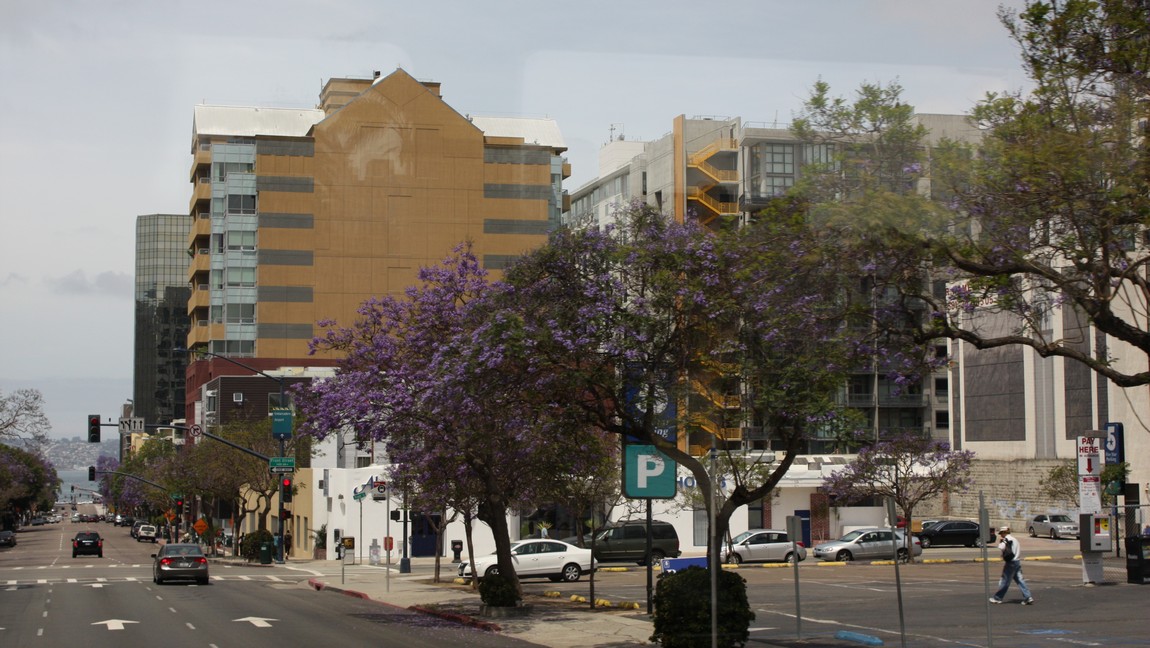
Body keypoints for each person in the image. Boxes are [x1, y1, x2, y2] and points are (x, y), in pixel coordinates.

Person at [990, 526, 1034, 605]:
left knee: (1005, 580)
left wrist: (1001, 542)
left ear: (1004, 533)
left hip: (1011, 562)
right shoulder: (1015, 540)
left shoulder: (1006, 540)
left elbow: (1001, 547)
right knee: (1020, 580)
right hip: (1017, 561)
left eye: (1001, 533)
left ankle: (998, 598)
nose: (1001, 535)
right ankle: (1028, 597)